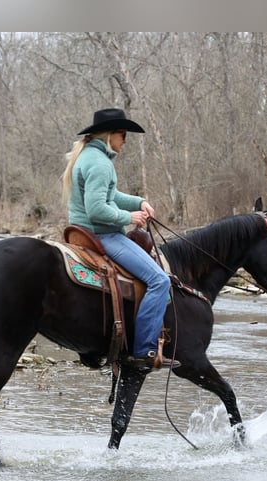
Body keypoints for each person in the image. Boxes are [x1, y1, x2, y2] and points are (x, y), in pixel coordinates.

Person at [62, 108, 177, 371]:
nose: (125, 140)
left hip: (83, 230)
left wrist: (139, 201)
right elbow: (97, 209)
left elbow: (109, 196)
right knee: (159, 280)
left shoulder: (89, 156)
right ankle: (144, 350)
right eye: (122, 134)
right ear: (109, 134)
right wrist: (130, 217)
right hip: (101, 233)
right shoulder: (101, 163)